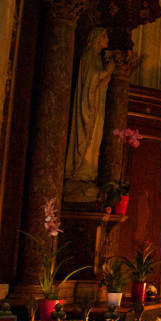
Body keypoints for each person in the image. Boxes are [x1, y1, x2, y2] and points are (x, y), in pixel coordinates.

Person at [63, 26, 115, 200]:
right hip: (86, 106)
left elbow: (99, 84)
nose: (107, 39)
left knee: (95, 139)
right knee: (84, 137)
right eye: (105, 36)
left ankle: (88, 174)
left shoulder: (98, 59)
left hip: (96, 105)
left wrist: (106, 77)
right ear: (96, 38)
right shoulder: (87, 56)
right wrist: (105, 72)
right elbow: (90, 78)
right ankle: (79, 173)